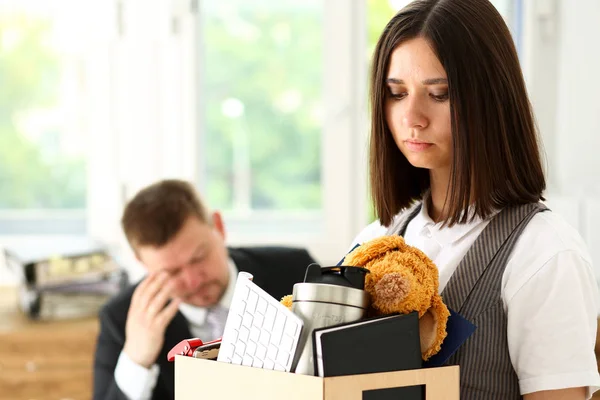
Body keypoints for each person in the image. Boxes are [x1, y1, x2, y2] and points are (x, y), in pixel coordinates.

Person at [349, 1, 600, 399]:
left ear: (491, 98)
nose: (412, 116)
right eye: (396, 93)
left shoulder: (546, 254)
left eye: (440, 94)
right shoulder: (376, 239)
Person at [93, 179, 316, 400]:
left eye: (199, 257)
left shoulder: (297, 272)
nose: (193, 281)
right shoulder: (120, 319)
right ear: (143, 264)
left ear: (218, 227)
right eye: (171, 272)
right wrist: (137, 360)